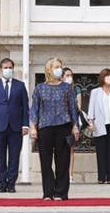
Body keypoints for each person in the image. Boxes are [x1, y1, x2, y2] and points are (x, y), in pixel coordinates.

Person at [29, 57, 79, 201]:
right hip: (45, 127)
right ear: (49, 69)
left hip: (63, 126)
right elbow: (34, 109)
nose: (59, 69)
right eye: (56, 66)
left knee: (62, 160)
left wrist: (75, 126)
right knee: (45, 160)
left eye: (60, 66)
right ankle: (48, 192)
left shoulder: (66, 88)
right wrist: (33, 127)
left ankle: (61, 192)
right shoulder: (40, 88)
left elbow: (73, 108)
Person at [0, 58, 29, 193]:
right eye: (5, 67)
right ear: (0, 69)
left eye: (10, 67)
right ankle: (2, 182)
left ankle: (12, 183)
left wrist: (25, 125)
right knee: (0, 156)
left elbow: (25, 107)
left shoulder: (20, 86)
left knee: (14, 156)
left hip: (16, 127)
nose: (8, 70)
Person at [62, 67, 82, 182]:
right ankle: (61, 174)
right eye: (67, 75)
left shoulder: (76, 89)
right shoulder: (58, 88)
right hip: (60, 121)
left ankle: (70, 175)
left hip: (72, 121)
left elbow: (78, 107)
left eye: (71, 75)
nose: (69, 77)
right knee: (59, 149)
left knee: (70, 148)